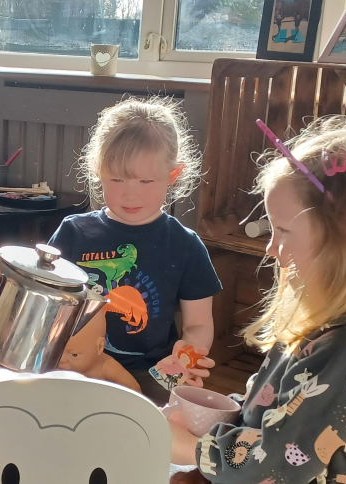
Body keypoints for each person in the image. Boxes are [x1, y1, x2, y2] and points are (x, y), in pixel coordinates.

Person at [167, 117, 346, 484]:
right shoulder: (337, 324)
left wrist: (191, 448)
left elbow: (276, 467)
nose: (270, 248)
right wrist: (224, 415)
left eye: (283, 230)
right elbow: (282, 409)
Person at [47, 97, 221, 405]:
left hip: (150, 374)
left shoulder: (186, 245)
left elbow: (198, 324)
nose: (131, 193)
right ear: (98, 170)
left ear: (173, 175)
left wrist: (187, 355)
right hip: (72, 366)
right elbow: (46, 304)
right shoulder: (73, 231)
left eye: (145, 180)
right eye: (117, 178)